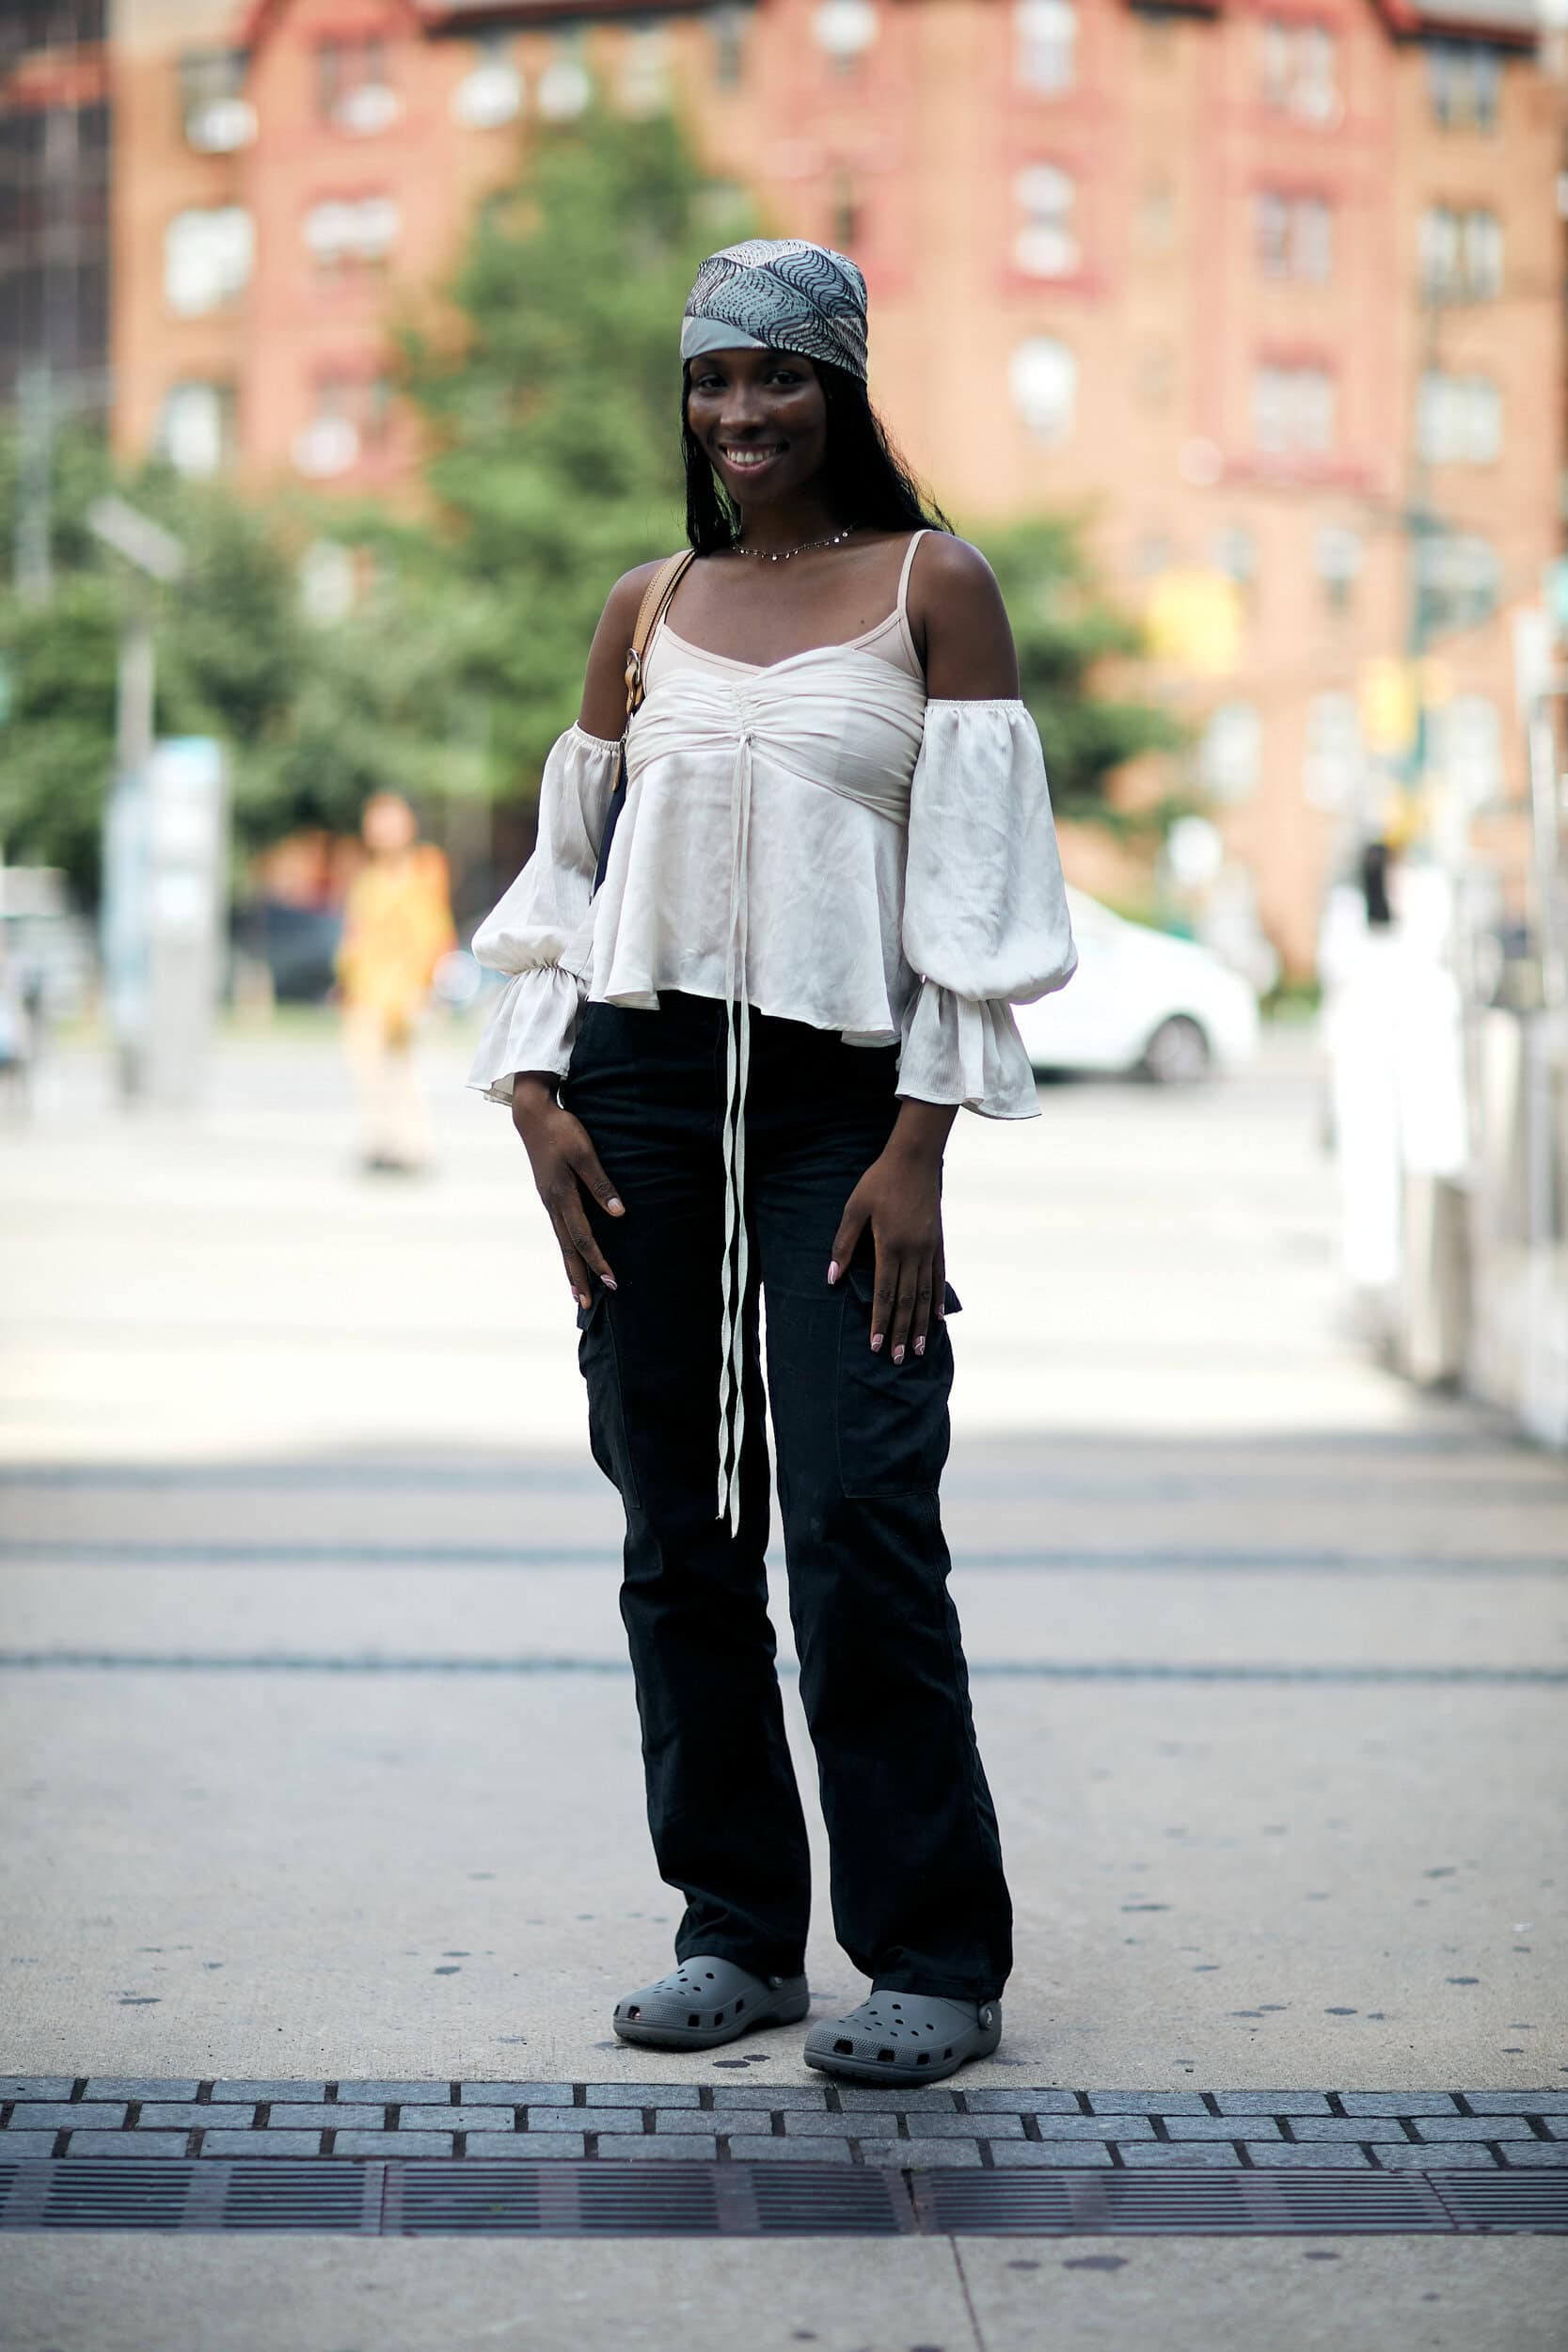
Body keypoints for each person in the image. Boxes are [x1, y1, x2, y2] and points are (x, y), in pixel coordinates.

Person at [468, 239, 1076, 2086]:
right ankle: (733, 1926)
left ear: (841, 388)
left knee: (859, 1520)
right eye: (712, 379)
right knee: (677, 1524)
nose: (741, 410)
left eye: (778, 375)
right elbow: (567, 873)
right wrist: (535, 1093)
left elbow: (973, 890)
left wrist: (919, 1145)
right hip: (637, 1092)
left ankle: (932, 1953)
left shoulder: (931, 585)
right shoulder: (645, 603)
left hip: (844, 1108)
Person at [336, 793, 455, 1174]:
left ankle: (412, 1146)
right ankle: (381, 1142)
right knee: (368, 1069)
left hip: (407, 988)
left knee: (406, 1069)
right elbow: (356, 935)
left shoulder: (425, 867)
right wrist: (347, 981)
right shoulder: (367, 877)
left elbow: (435, 930)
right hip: (368, 989)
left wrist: (428, 983)